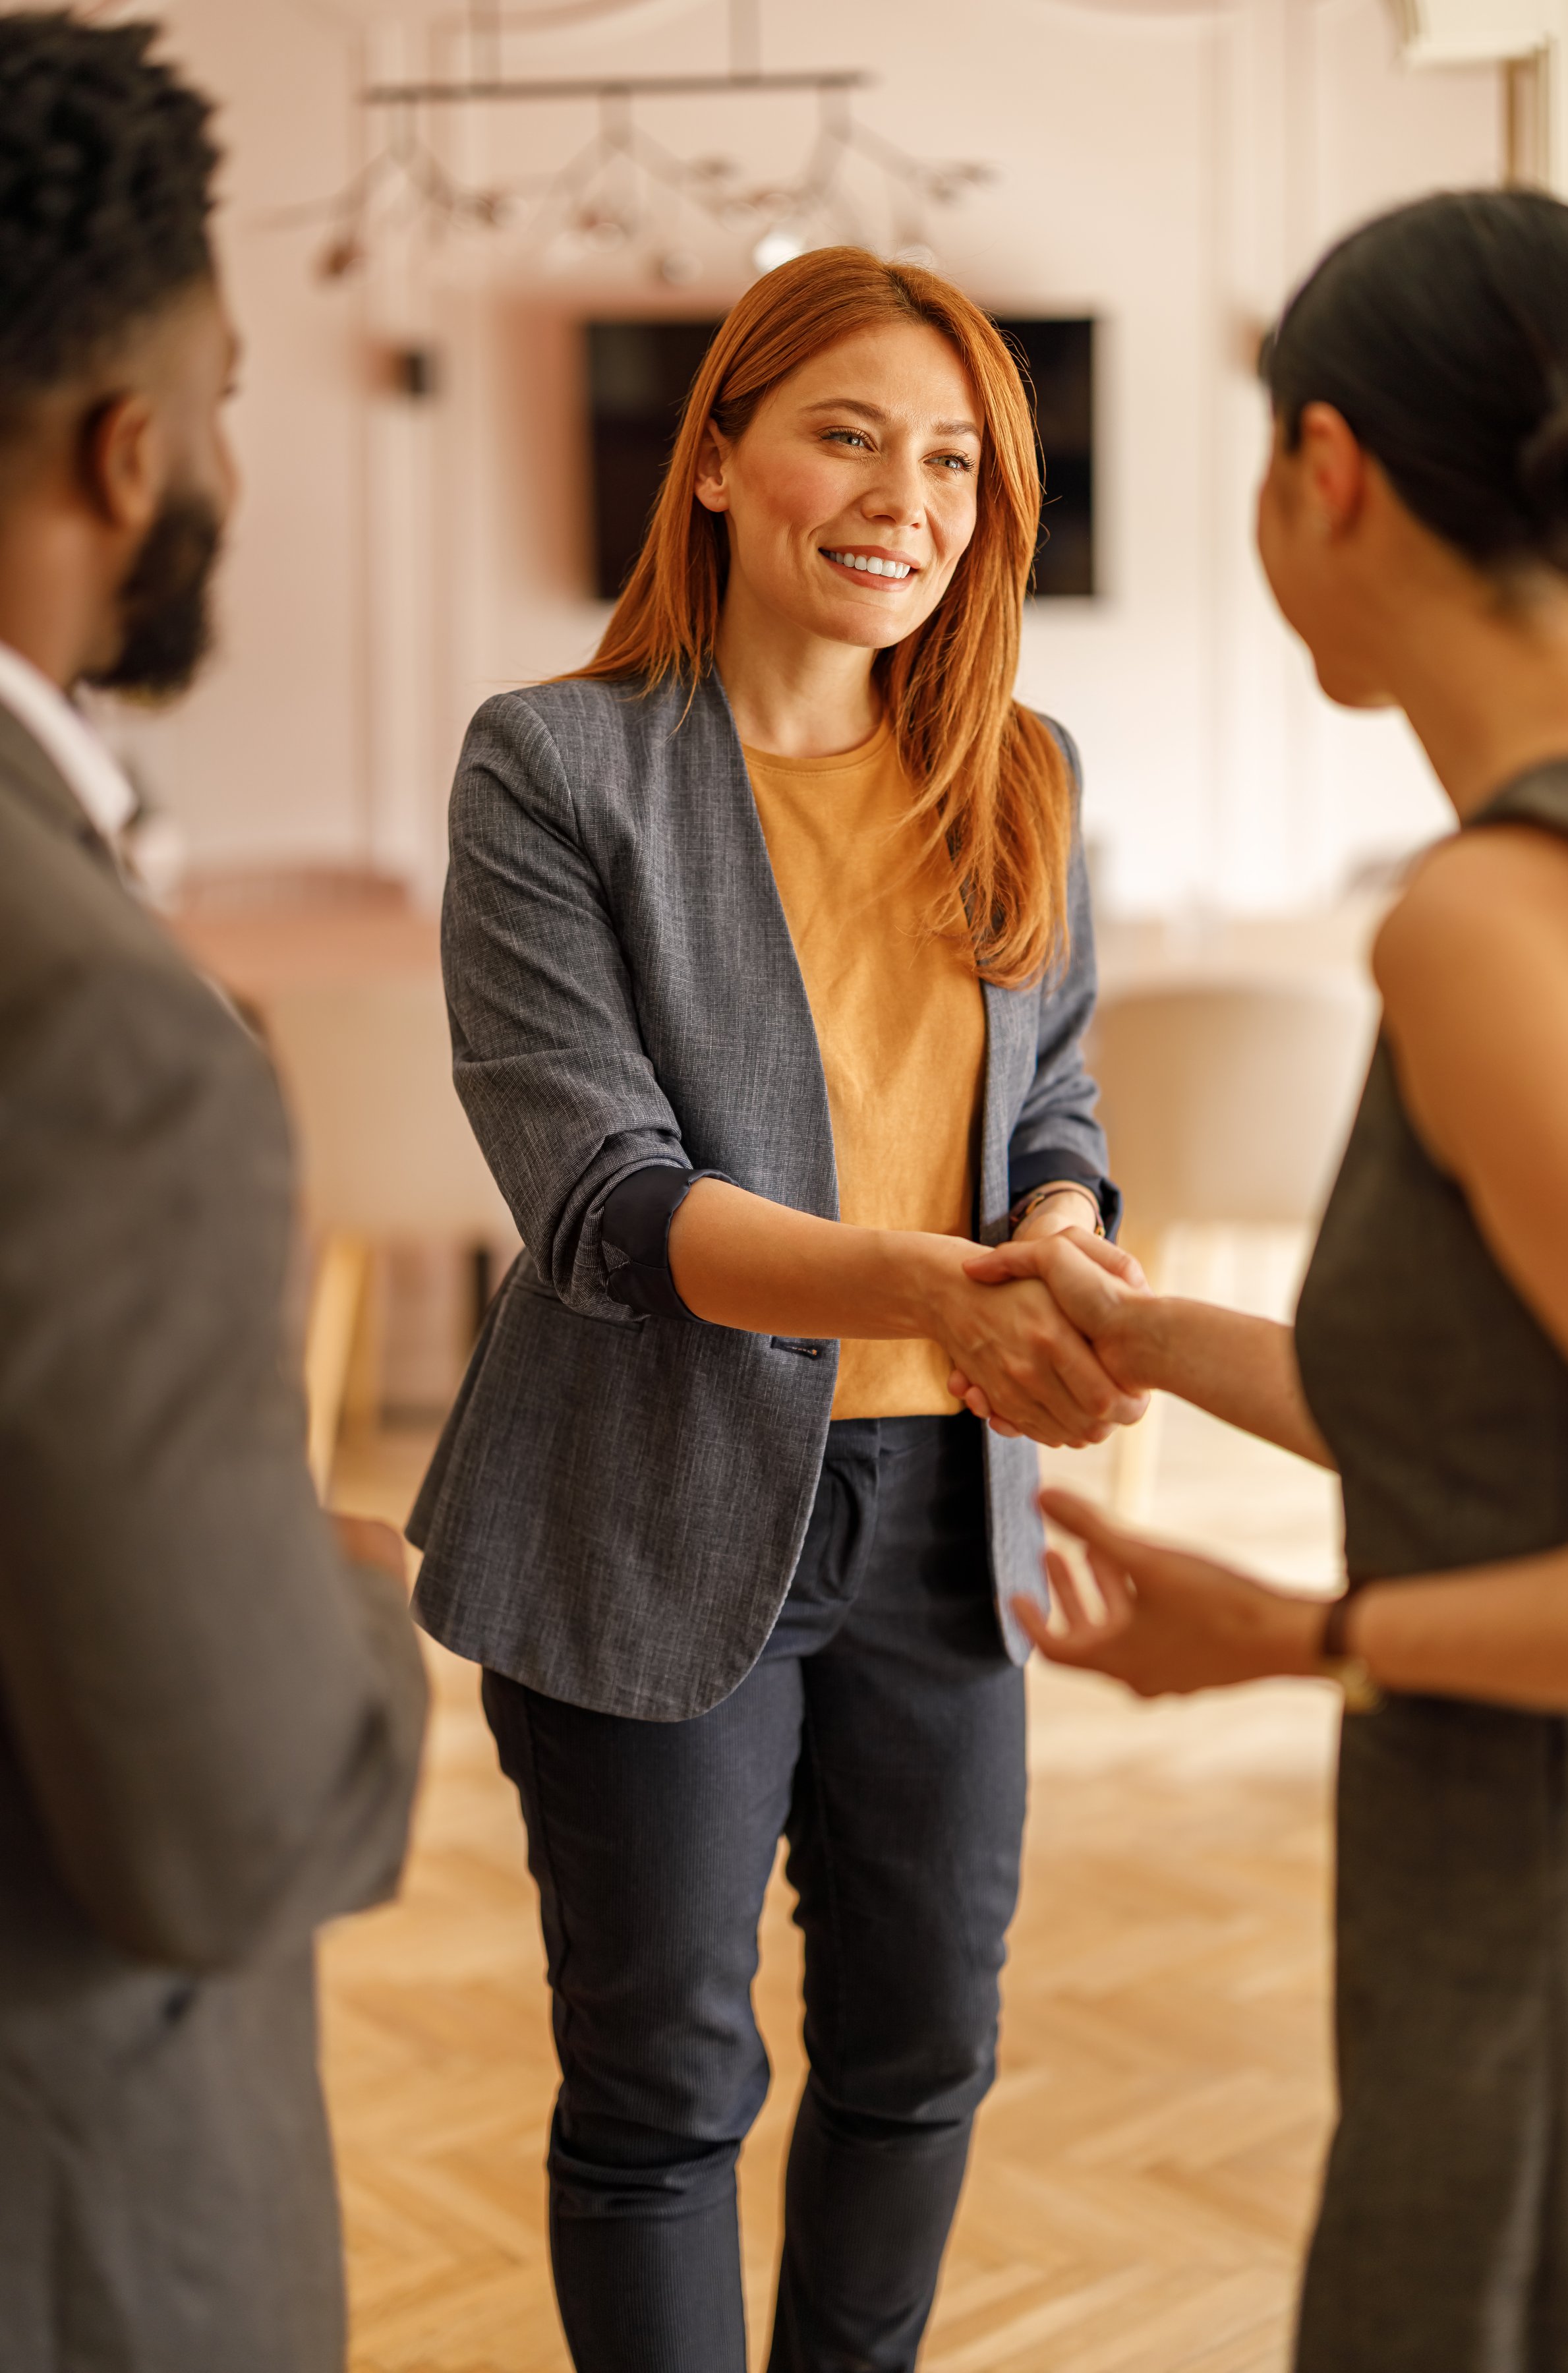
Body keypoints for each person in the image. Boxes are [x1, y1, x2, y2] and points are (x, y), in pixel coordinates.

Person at [408, 249, 1140, 2369]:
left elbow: (1053, 1105)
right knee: (665, 2092)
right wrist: (929, 1282)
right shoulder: (555, 766)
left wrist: (1062, 1222)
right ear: (718, 458)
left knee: (924, 2054)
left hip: (947, 1519)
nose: (908, 497)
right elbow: (607, 1202)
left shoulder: (1021, 770)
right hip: (646, 1501)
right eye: (849, 434)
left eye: (956, 460)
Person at [963, 189, 1568, 2372]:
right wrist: (1143, 1333)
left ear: (1327, 469)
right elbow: (1508, 1416)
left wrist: (1296, 1633)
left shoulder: (1487, 917)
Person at [0, 17, 429, 2372]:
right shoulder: (97, 1030)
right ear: (130, 444)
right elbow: (229, 1829)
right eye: (232, 399)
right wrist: (344, 1603)